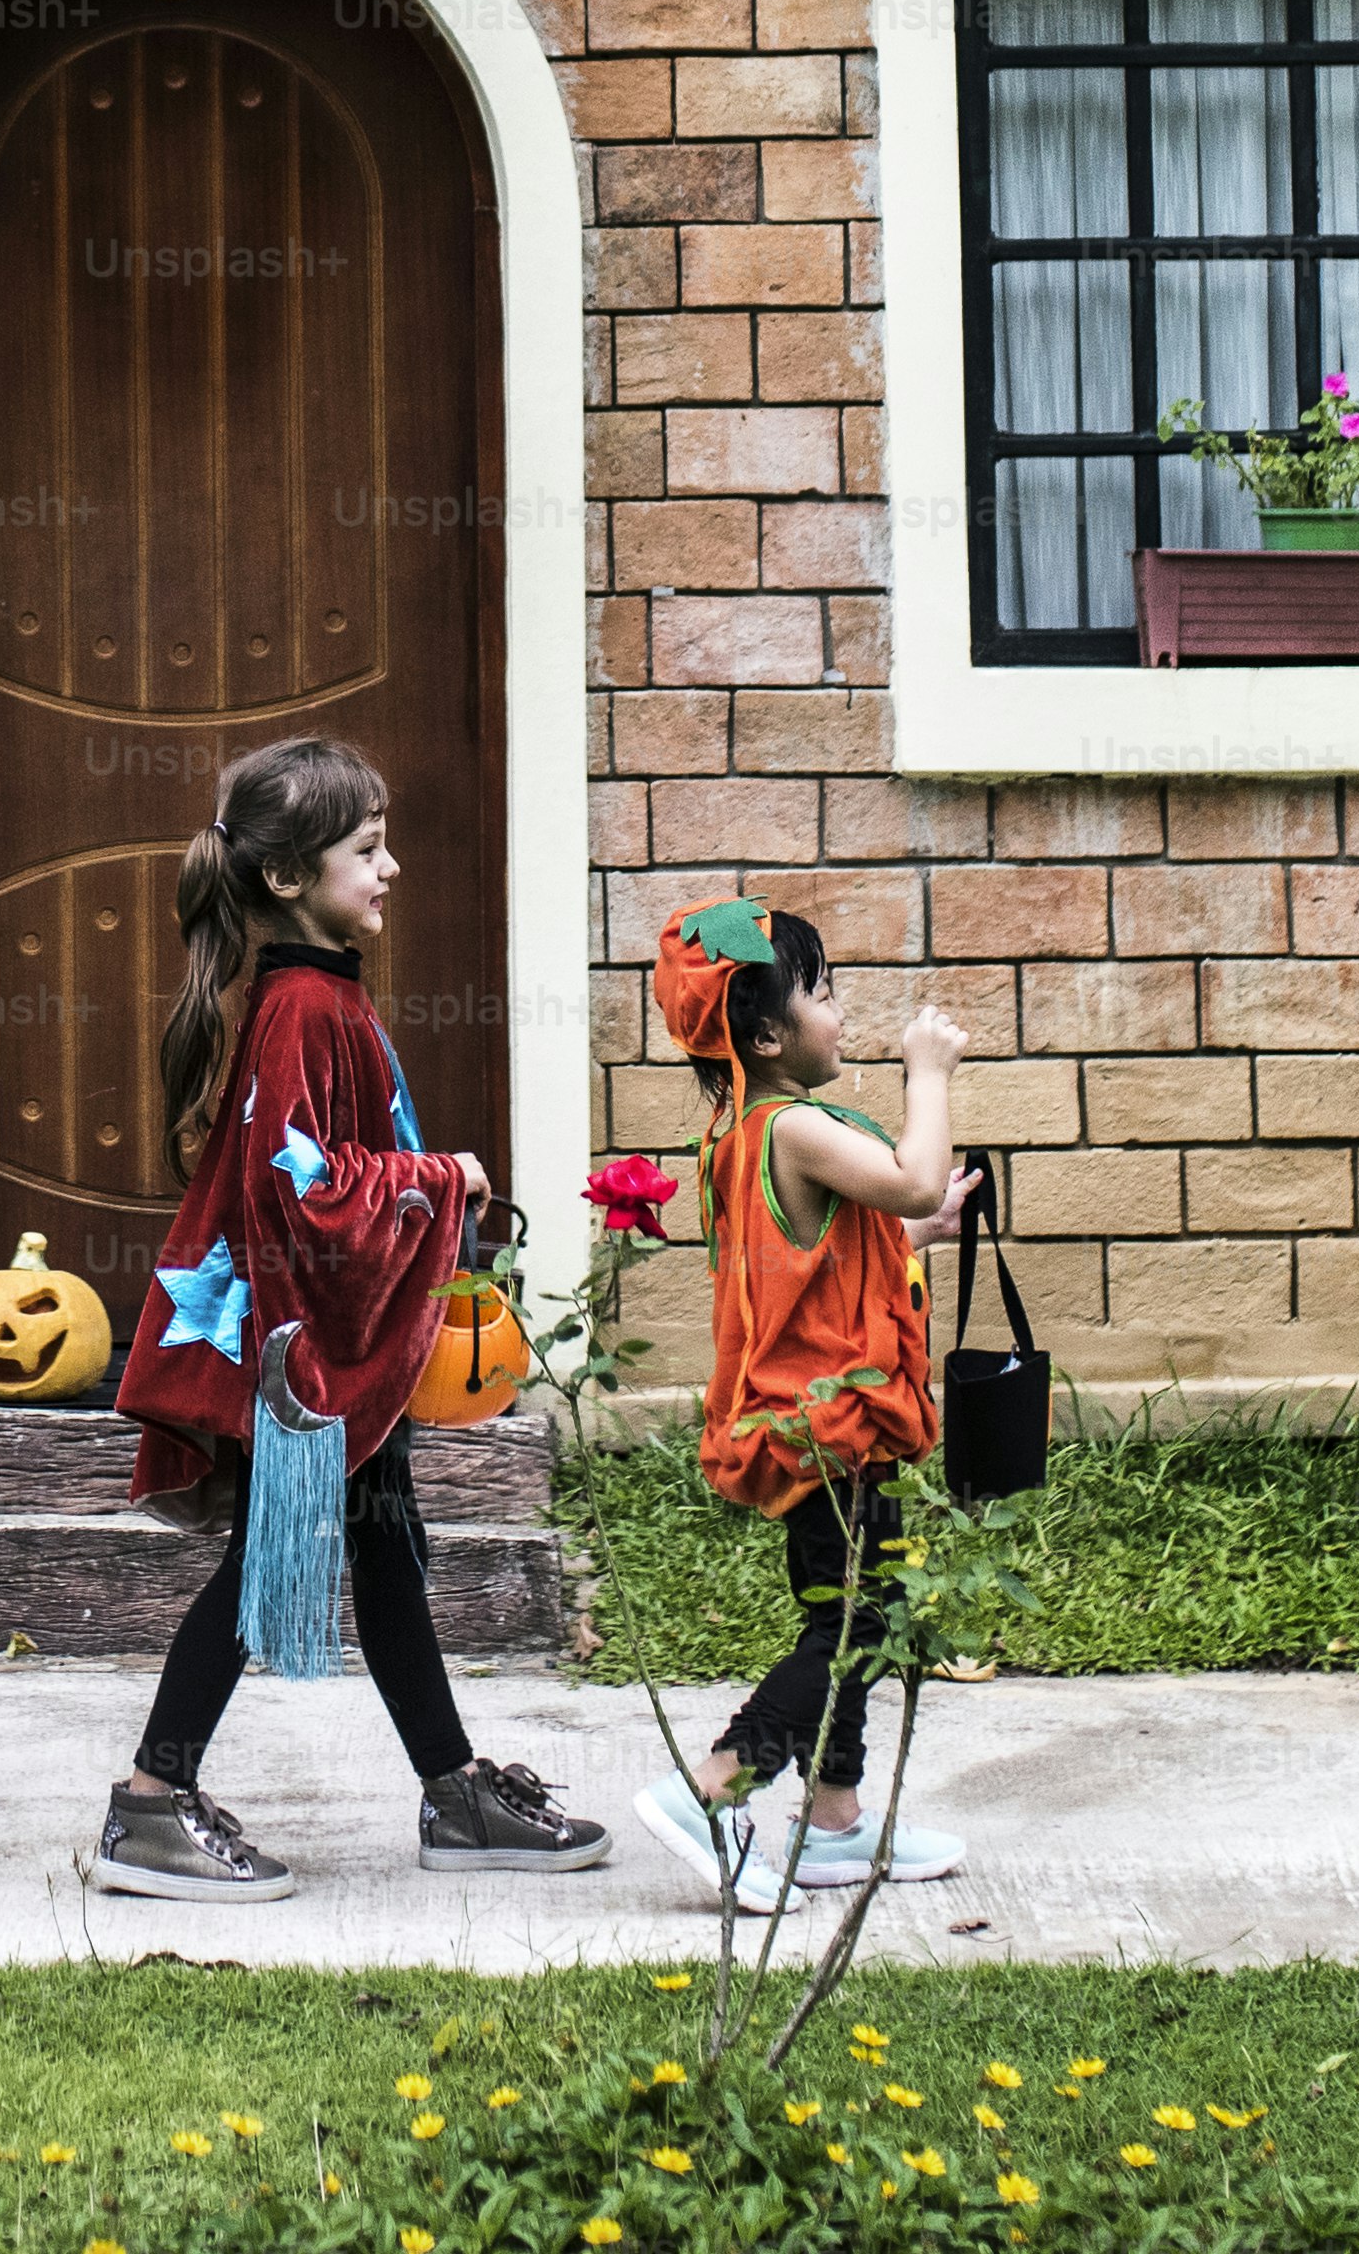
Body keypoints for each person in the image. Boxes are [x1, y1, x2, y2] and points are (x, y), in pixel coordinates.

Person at [95, 737, 606, 1901]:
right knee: (265, 1563)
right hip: (302, 1356)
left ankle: (454, 1792)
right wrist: (439, 1177)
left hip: (319, 1347)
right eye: (366, 850)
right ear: (287, 877)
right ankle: (150, 1801)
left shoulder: (321, 996)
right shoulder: (301, 1009)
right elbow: (302, 1189)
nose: (390, 869)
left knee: (384, 1552)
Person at [623, 893, 977, 1912]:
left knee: (850, 1609)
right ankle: (712, 1787)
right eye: (822, 993)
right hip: (831, 1425)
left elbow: (812, 1262)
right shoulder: (797, 1126)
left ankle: (833, 1818)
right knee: (860, 1624)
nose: (840, 1010)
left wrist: (915, 1235)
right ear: (769, 1036)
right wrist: (927, 1073)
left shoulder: (742, 1134)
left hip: (811, 1423)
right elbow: (913, 1179)